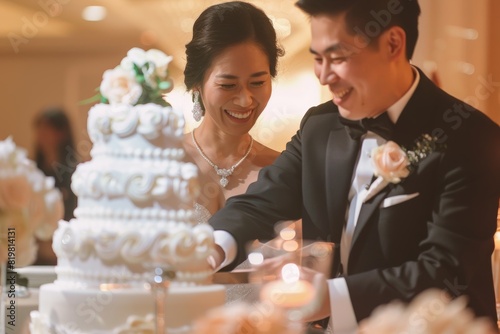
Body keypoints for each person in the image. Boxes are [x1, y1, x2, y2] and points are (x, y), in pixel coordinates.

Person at [209, 0, 500, 332]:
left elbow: (447, 271)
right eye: (317, 59)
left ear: (393, 43)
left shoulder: (471, 138)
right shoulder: (320, 126)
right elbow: (262, 201)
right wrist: (209, 249)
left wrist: (331, 296)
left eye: (337, 58)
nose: (323, 76)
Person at [183, 1, 282, 220]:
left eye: (257, 83)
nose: (245, 100)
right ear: (197, 83)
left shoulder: (281, 171)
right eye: (228, 85)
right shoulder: (163, 161)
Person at [33, 107, 78, 265]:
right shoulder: (33, 171)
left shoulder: (73, 174)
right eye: (40, 129)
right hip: (35, 250)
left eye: (48, 128)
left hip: (62, 249)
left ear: (61, 133)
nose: (41, 134)